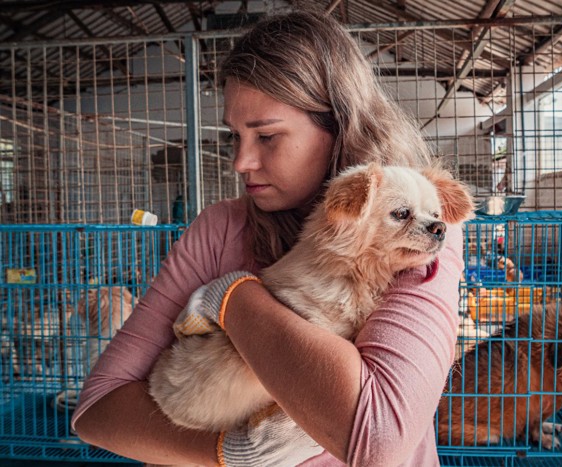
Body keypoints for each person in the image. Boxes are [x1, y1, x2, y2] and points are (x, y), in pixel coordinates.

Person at [72, 10, 465, 467]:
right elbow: (97, 409)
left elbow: (379, 439)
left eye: (268, 137)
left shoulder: (414, 229)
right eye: (235, 136)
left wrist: (233, 298)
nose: (241, 162)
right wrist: (231, 451)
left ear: (338, 127)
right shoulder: (219, 227)